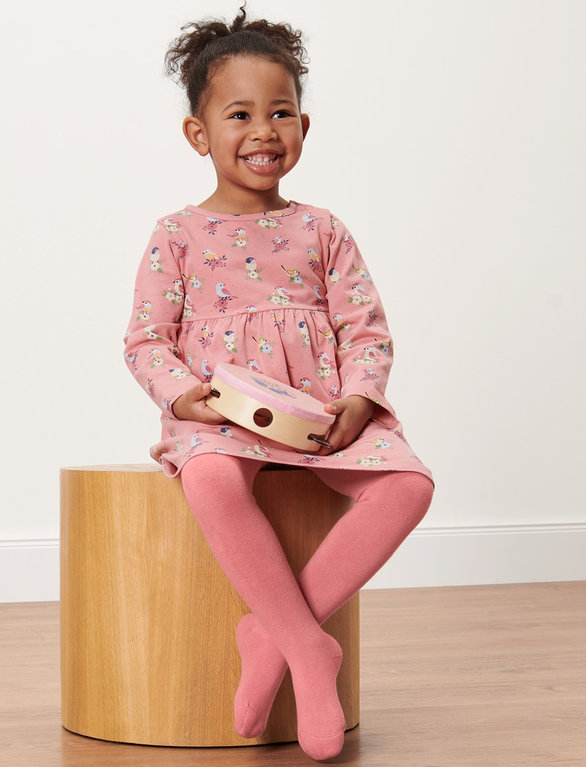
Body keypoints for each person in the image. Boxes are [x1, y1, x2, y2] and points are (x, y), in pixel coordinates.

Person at [122, 6, 434, 761]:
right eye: (240, 114)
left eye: (281, 112)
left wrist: (359, 398)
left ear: (303, 126)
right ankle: (307, 644)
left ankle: (273, 634)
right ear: (199, 135)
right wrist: (182, 395)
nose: (264, 130)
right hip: (222, 414)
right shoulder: (178, 233)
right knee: (211, 479)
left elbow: (365, 326)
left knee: (410, 486)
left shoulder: (323, 228)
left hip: (320, 414)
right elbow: (144, 339)